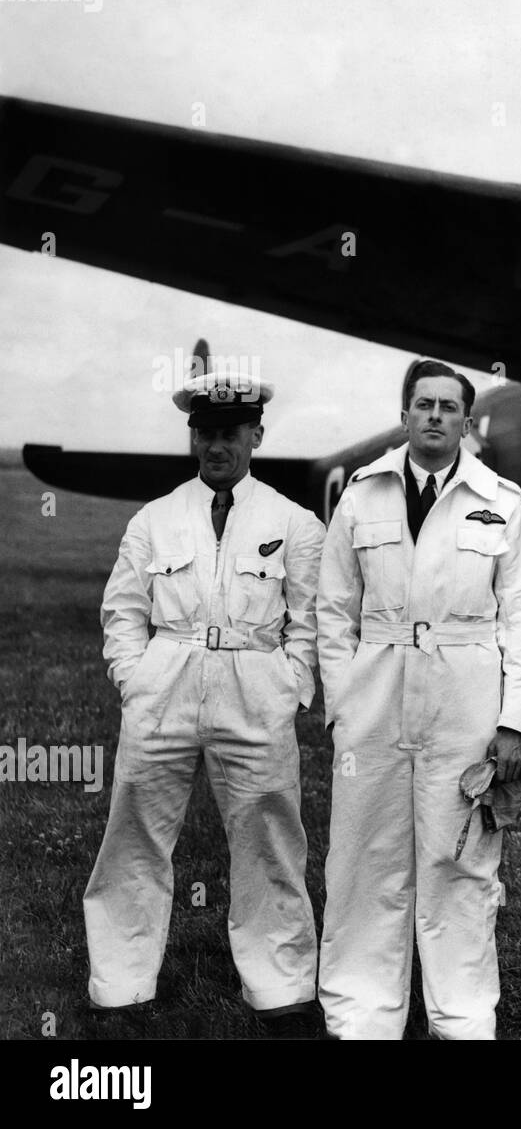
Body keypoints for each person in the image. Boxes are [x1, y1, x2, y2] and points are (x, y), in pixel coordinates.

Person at [86, 370, 323, 1029]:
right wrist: (136, 679)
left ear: (256, 435)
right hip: (164, 684)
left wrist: (290, 686)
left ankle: (279, 986)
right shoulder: (154, 518)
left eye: (231, 433)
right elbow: (123, 613)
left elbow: (315, 619)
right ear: (193, 438)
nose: (219, 445)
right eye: (207, 433)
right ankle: (120, 988)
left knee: (269, 833)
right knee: (134, 832)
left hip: (254, 686)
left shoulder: (293, 522)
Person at [316, 359, 521, 1040]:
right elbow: (333, 610)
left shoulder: (501, 499)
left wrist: (515, 722)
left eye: (450, 406)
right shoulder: (362, 495)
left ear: (467, 422)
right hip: (377, 696)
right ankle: (363, 1008)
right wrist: (341, 704)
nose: (436, 416)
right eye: (424, 404)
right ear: (406, 414)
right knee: (365, 854)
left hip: (464, 699)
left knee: (461, 856)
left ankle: (463, 1011)